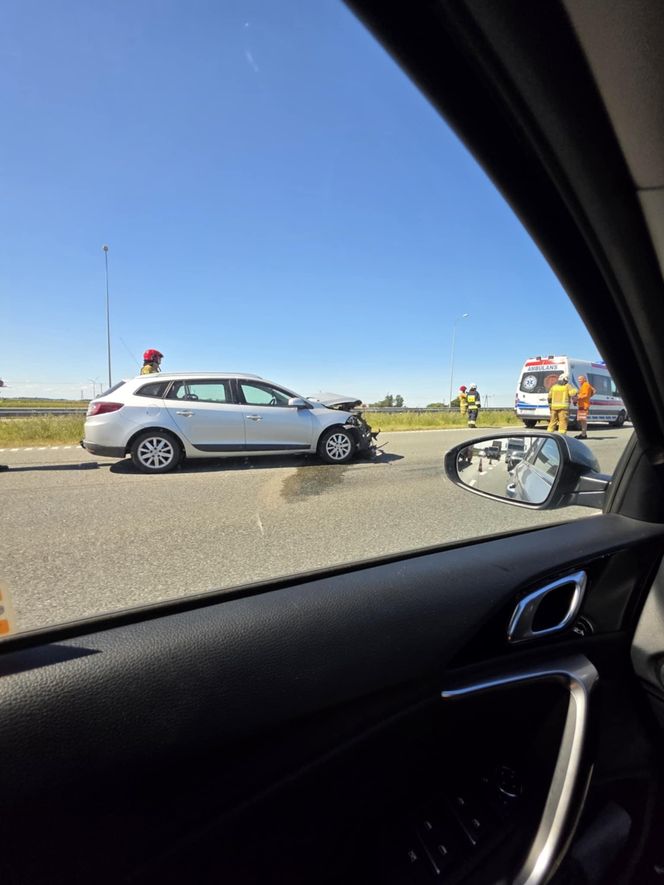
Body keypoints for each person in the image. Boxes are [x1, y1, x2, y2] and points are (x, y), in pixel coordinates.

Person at [574, 374, 595, 439]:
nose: (579, 380)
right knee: (582, 420)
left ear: (584, 379)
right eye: (578, 379)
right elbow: (592, 391)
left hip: (584, 405)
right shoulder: (584, 385)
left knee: (583, 420)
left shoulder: (586, 385)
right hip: (582, 405)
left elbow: (586, 395)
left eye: (580, 379)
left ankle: (583, 434)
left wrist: (578, 397)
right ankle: (583, 434)